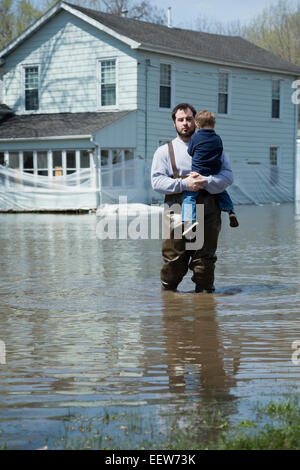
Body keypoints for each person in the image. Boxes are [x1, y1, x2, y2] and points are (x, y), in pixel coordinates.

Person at [151, 103, 234, 293]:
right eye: (180, 120)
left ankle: (205, 310)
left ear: (196, 122)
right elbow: (156, 182)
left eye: (189, 119)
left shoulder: (216, 147)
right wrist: (184, 184)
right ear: (174, 124)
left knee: (204, 261)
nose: (185, 123)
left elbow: (228, 176)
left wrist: (207, 181)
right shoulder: (164, 151)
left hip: (209, 207)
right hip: (176, 209)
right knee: (174, 260)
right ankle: (169, 303)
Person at [181, 109, 238, 236]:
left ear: (197, 125)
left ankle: (190, 221)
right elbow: (219, 152)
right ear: (213, 124)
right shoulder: (218, 139)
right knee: (221, 191)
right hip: (214, 173)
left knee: (189, 197)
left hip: (197, 174)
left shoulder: (195, 137)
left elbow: (190, 152)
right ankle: (230, 211)